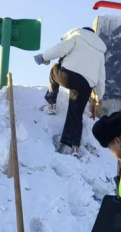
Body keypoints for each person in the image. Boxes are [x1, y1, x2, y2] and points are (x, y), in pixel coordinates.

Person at [34, 27, 106, 156]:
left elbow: (60, 49)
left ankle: (52, 103)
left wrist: (43, 56)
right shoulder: (100, 52)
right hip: (86, 85)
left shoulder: (77, 36)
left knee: (54, 69)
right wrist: (98, 96)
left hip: (69, 76)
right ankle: (74, 147)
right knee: (76, 114)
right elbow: (101, 77)